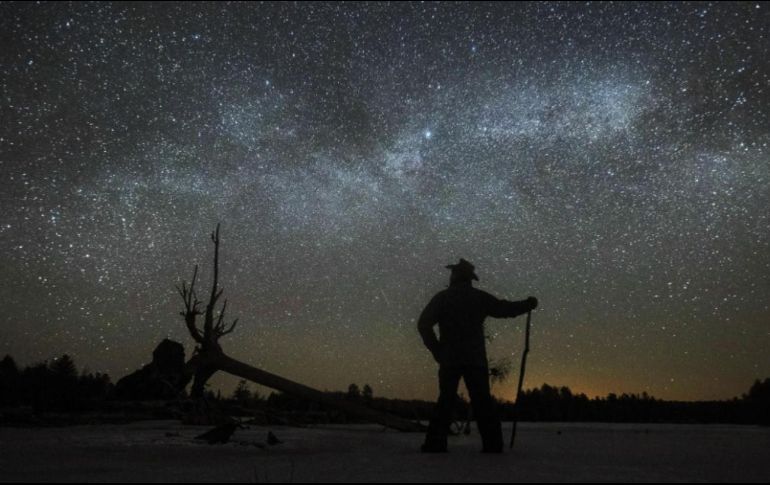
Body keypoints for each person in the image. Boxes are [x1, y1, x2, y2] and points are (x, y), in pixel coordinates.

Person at [418, 258, 537, 453]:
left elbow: (423, 324)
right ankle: (492, 445)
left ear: (455, 276)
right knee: (482, 402)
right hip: (475, 360)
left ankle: (435, 443)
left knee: (446, 401)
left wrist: (438, 350)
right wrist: (526, 305)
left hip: (450, 359)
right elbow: (503, 309)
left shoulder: (442, 298)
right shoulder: (478, 298)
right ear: (469, 278)